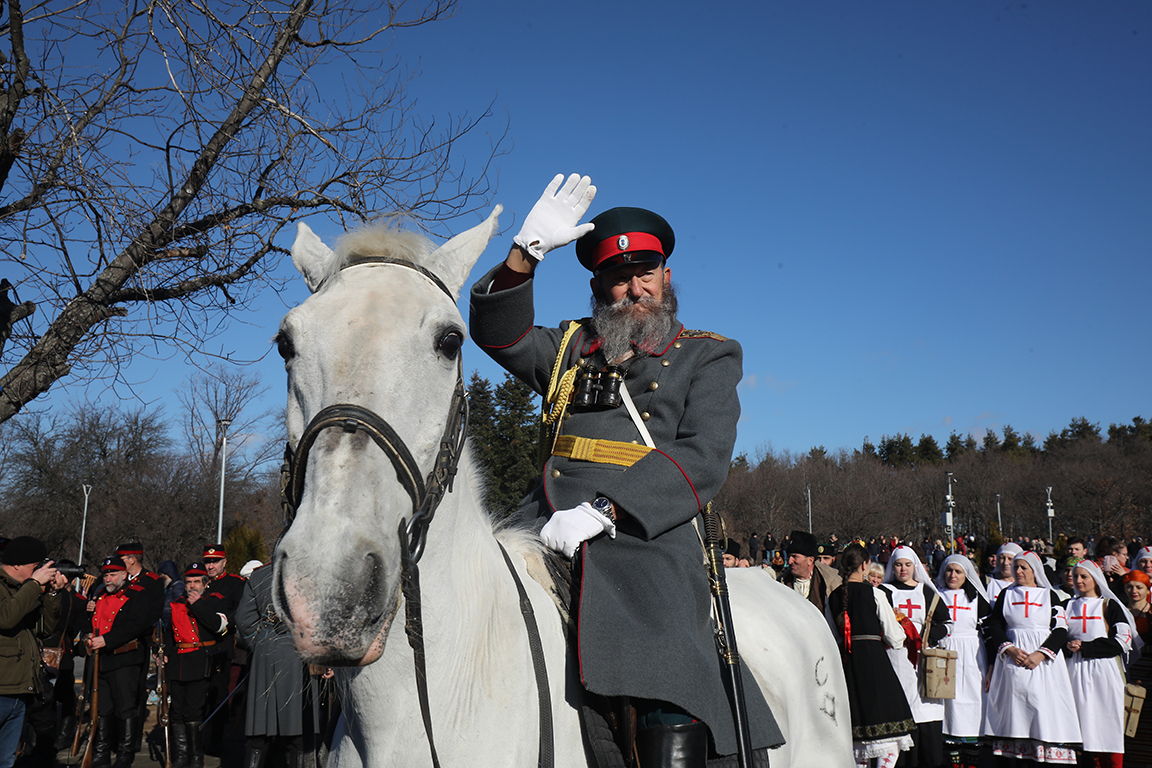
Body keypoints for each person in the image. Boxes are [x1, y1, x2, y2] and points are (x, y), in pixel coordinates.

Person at [468, 174, 782, 766]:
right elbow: (496, 332)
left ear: (666, 276)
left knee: (664, 656)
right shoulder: (568, 348)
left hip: (646, 536)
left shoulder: (707, 355)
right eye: (618, 278)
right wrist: (523, 254)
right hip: (541, 524)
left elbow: (701, 458)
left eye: (645, 274)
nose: (633, 290)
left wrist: (608, 509)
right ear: (597, 286)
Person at [983, 550, 1081, 764]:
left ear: (1034, 571)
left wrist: (1041, 654)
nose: (1017, 571)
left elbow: (1061, 628)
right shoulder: (1006, 594)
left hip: (1043, 662)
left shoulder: (1048, 595)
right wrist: (1009, 649)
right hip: (1013, 658)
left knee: (1041, 706)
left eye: (1023, 567)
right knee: (1015, 708)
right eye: (1015, 567)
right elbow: (995, 624)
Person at [825, 543, 914, 768]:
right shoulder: (874, 593)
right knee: (889, 739)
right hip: (875, 666)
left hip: (847, 666)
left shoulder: (833, 597)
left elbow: (831, 637)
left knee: (857, 738)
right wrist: (901, 624)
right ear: (865, 565)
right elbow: (895, 639)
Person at [236, 562, 319, 768]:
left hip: (265, 656)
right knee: (297, 732)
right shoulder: (312, 571)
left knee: (258, 733)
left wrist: (261, 644)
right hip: (300, 655)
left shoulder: (258, 575)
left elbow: (243, 619)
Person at [878, 545, 950, 767]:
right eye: (898, 565)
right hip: (896, 656)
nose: (903, 569)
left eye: (907, 565)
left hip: (923, 659)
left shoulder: (927, 592)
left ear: (915, 566)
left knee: (925, 707)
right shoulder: (884, 591)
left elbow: (945, 623)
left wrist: (928, 638)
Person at [0, 537, 65, 768]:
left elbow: (44, 629)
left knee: (6, 759)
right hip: (1, 687)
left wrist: (53, 595)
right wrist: (34, 585)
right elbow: (6, 618)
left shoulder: (23, 589)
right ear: (17, 564)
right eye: (35, 565)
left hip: (19, 687)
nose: (38, 571)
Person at [1065, 559, 1136, 768]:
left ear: (1095, 579)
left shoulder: (1109, 605)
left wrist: (1087, 648)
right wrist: (1067, 647)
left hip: (1104, 670)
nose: (1078, 580)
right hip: (1075, 670)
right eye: (1075, 576)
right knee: (1079, 724)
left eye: (1084, 576)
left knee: (1106, 721)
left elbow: (1123, 640)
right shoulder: (1067, 605)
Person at [87, 556, 154, 768]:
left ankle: (125, 754)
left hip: (126, 658)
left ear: (124, 575)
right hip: (102, 658)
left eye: (113, 574)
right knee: (103, 708)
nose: (108, 579)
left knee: (125, 708)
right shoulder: (98, 595)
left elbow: (138, 625)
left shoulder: (137, 595)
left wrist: (107, 639)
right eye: (105, 575)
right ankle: (101, 751)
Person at [164, 562, 225, 768]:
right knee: (177, 711)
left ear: (205, 584)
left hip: (200, 660)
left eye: (196, 582)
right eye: (188, 582)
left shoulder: (214, 601)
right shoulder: (177, 603)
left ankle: (196, 758)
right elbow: (170, 634)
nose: (191, 586)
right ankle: (181, 755)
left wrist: (197, 604)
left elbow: (217, 627)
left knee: (193, 711)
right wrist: (163, 653)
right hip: (179, 661)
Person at [934, 554, 990, 768]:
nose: (953, 575)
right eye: (949, 571)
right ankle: (954, 759)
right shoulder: (936, 595)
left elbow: (986, 629)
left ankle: (973, 757)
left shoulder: (977, 599)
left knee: (973, 700)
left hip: (972, 654)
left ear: (967, 574)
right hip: (945, 651)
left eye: (958, 571)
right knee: (949, 703)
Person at [196, 545, 246, 754]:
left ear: (224, 562)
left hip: (220, 648)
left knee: (218, 696)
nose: (211, 566)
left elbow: (239, 612)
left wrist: (225, 625)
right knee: (197, 697)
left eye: (215, 561)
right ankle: (196, 741)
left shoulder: (235, 584)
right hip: (196, 649)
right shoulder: (198, 582)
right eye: (208, 562)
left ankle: (216, 740)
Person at [115, 542, 165, 752]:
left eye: (122, 559)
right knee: (116, 692)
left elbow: (153, 613)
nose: (119, 563)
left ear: (132, 559)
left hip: (139, 643)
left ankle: (131, 739)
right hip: (113, 643)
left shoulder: (152, 582)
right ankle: (115, 737)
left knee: (136, 692)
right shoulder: (115, 578)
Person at [1123, 569, 1152, 763]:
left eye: (1139, 587)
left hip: (1149, 669)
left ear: (1147, 589)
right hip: (1127, 669)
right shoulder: (1119, 611)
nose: (1134, 591)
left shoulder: (1151, 612)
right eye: (1130, 587)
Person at [779, 530, 841, 615]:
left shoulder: (831, 583)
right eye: (789, 556)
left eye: (794, 557)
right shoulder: (781, 583)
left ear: (810, 560)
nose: (790, 561)